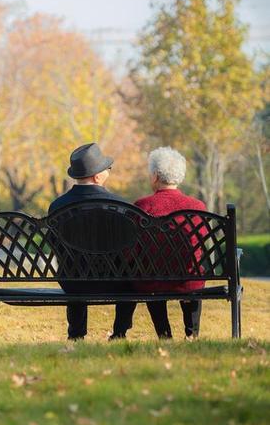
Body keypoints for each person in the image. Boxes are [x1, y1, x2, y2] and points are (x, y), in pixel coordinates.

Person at [111, 146, 207, 339]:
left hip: (152, 280)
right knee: (192, 274)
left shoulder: (142, 206)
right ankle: (192, 334)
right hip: (188, 280)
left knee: (148, 273)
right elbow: (200, 245)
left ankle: (164, 334)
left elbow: (131, 250)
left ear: (155, 176)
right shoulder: (198, 206)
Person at [49, 142, 128, 340]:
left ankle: (76, 333)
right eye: (107, 169)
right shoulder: (120, 205)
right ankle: (119, 332)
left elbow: (55, 245)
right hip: (115, 280)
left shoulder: (58, 206)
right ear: (98, 176)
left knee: (74, 267)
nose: (109, 172)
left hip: (73, 282)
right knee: (131, 277)